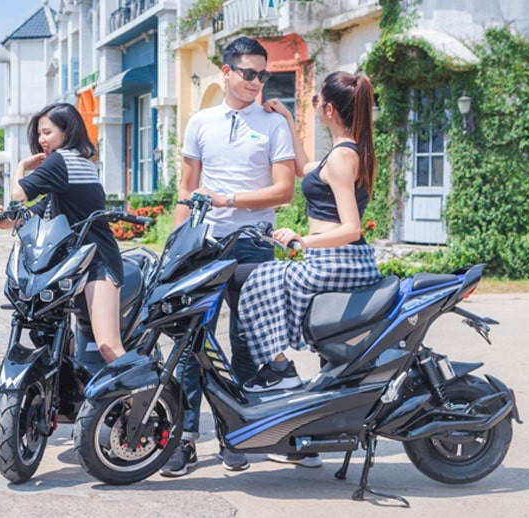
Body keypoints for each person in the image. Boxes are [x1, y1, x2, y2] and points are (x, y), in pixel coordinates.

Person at [160, 36, 296, 477]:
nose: (257, 82)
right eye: (249, 73)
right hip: (205, 242)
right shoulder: (201, 122)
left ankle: (234, 434)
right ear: (227, 71)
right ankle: (184, 438)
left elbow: (284, 190)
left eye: (263, 74)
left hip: (255, 243)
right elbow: (187, 187)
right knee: (190, 340)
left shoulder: (273, 124)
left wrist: (228, 198)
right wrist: (176, 244)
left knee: (247, 340)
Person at [238, 71, 383, 468]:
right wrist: (288, 120)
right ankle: (289, 385)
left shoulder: (343, 158)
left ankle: (280, 369)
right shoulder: (345, 151)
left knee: (257, 281)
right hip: (338, 259)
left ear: (329, 109)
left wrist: (302, 240)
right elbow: (306, 169)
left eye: (316, 101)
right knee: (265, 281)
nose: (314, 105)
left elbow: (351, 228)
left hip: (339, 260)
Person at [0, 102, 126, 362]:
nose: (41, 140)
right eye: (39, 133)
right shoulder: (77, 162)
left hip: (98, 261)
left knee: (108, 345)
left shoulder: (62, 160)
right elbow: (33, 213)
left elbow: (18, 194)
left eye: (47, 132)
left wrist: (21, 166)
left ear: (67, 131)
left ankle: (141, 389)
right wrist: (4, 218)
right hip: (71, 265)